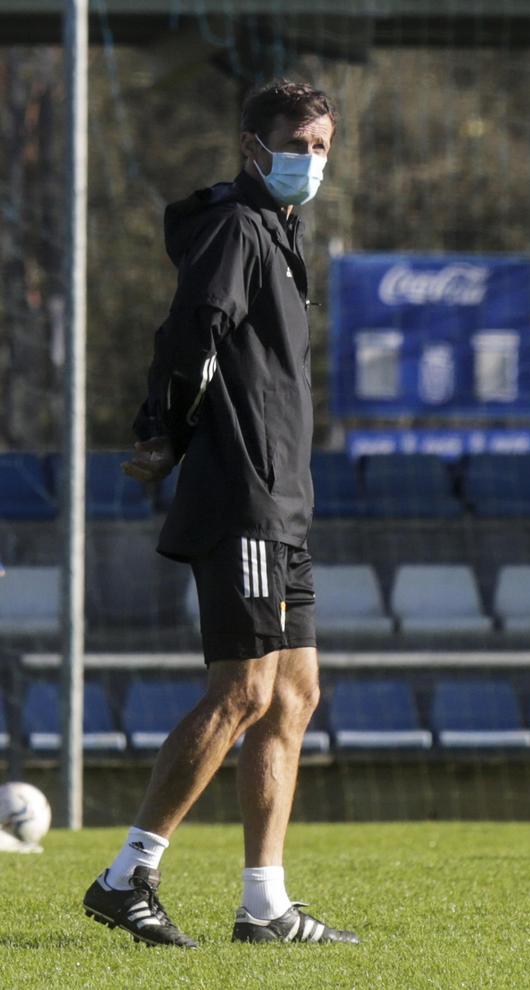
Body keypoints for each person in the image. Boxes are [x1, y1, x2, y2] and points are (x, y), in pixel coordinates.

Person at [83, 80, 358, 947]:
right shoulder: (238, 229)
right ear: (252, 148)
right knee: (242, 689)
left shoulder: (281, 236)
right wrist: (157, 430)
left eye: (321, 146)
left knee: (295, 695)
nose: (310, 161)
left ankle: (265, 906)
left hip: (285, 504)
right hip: (243, 497)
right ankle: (129, 873)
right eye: (296, 145)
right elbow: (188, 334)